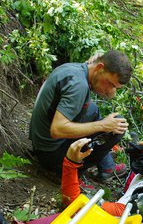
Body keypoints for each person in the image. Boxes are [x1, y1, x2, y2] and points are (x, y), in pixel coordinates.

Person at [29, 50, 132, 180]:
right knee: (118, 127)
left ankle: (107, 166)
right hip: (49, 155)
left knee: (92, 109)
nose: (111, 90)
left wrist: (110, 89)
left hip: (40, 142)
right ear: (99, 68)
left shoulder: (77, 69)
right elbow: (57, 129)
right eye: (110, 84)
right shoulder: (79, 86)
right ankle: (69, 175)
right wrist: (102, 125)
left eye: (115, 87)